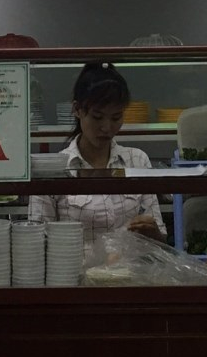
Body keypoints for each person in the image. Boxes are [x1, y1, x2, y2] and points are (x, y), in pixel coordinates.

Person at [29, 62, 166, 246]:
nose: (106, 127)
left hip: (129, 265)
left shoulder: (137, 160)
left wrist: (153, 232)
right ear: (77, 110)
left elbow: (160, 240)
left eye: (116, 117)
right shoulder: (55, 171)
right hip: (73, 265)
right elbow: (36, 242)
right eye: (97, 117)